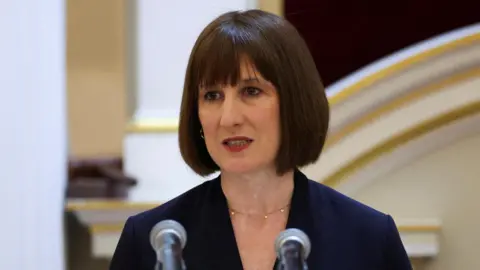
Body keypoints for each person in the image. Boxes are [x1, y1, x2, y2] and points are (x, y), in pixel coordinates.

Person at [109, 9, 412, 270]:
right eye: (212, 96)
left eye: (251, 91)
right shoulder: (150, 241)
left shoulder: (369, 237)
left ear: (294, 102)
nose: (229, 118)